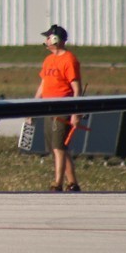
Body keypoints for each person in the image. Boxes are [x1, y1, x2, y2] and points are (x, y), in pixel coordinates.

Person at [34, 24, 82, 192]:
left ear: (56, 39)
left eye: (48, 37)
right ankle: (73, 183)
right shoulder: (48, 60)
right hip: (48, 108)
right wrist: (33, 105)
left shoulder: (69, 59)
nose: (46, 40)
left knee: (58, 147)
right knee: (58, 147)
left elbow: (76, 88)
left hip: (62, 107)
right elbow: (43, 84)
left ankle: (57, 183)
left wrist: (76, 113)